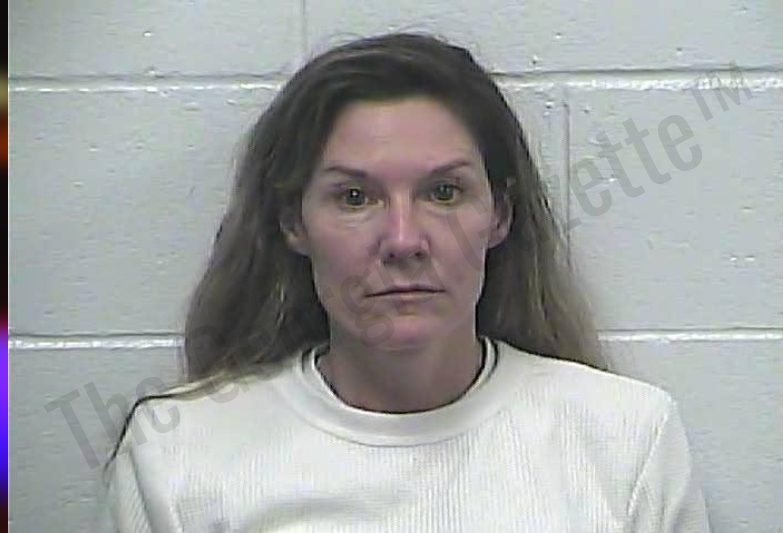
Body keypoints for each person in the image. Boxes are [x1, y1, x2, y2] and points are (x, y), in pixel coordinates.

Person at [104, 32, 711, 532]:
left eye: (444, 192)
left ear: (500, 214)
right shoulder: (179, 455)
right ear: (293, 222)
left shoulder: (628, 439)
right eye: (355, 197)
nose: (403, 240)